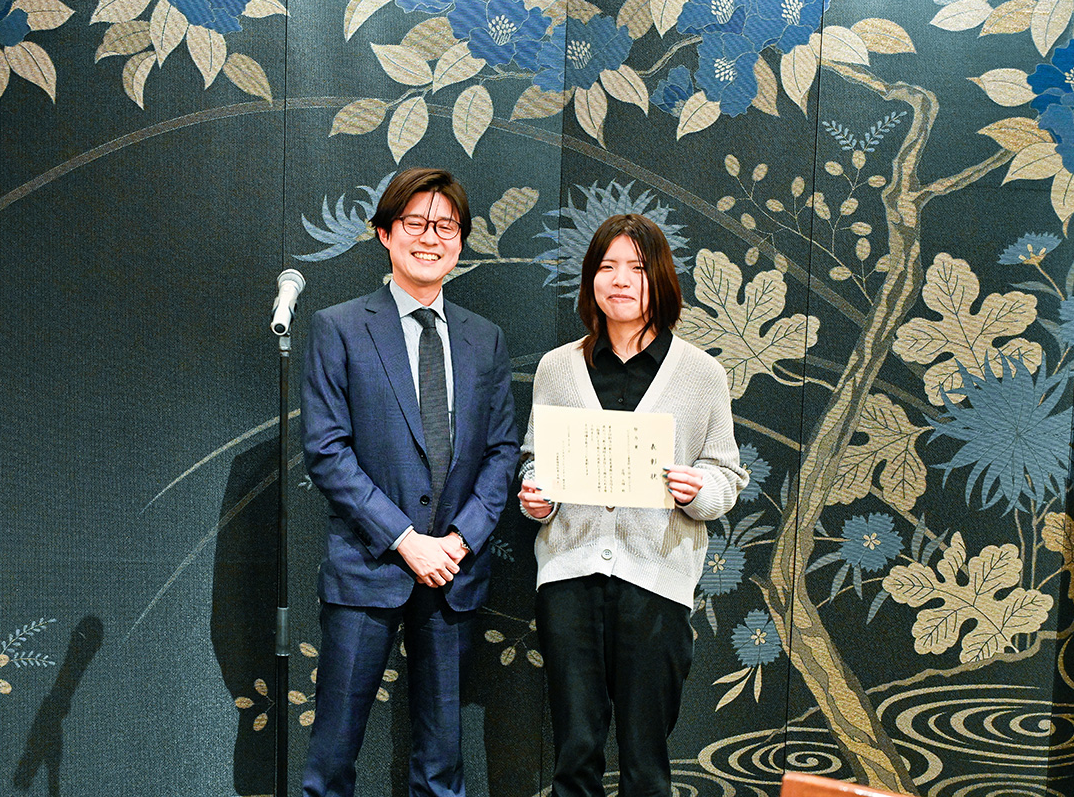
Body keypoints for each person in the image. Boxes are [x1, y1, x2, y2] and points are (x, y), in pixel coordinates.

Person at [300, 167, 519, 797]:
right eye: (416, 223)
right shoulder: (339, 327)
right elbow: (327, 452)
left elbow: (502, 451)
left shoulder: (484, 338)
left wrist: (460, 540)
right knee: (332, 761)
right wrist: (405, 539)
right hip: (368, 568)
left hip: (454, 572)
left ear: (462, 240)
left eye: (446, 226)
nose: (431, 237)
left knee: (442, 765)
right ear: (384, 233)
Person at [518, 214, 749, 797]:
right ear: (590, 279)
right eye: (606, 266)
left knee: (646, 762)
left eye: (637, 268)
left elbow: (727, 474)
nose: (620, 279)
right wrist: (537, 498)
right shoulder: (557, 367)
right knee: (574, 753)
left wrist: (700, 490)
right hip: (569, 578)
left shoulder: (701, 374)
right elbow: (534, 460)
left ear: (661, 280)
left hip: (656, 579)